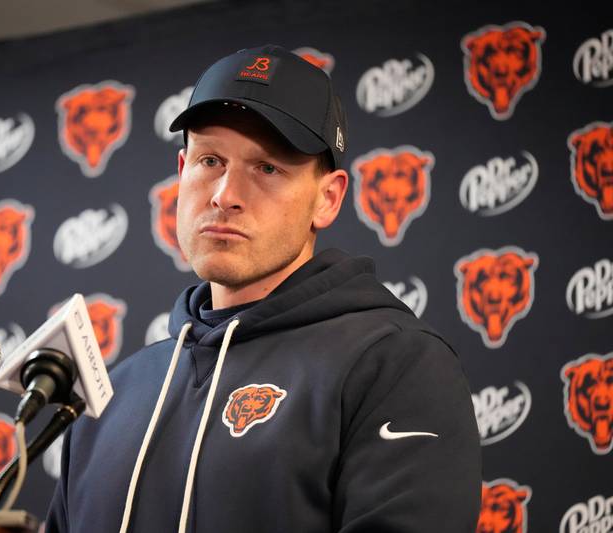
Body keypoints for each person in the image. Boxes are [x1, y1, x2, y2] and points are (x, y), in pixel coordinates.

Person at [46, 44, 481, 533]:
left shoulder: (394, 364)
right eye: (210, 160)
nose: (225, 195)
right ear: (180, 172)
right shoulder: (115, 394)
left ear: (328, 198)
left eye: (268, 168)